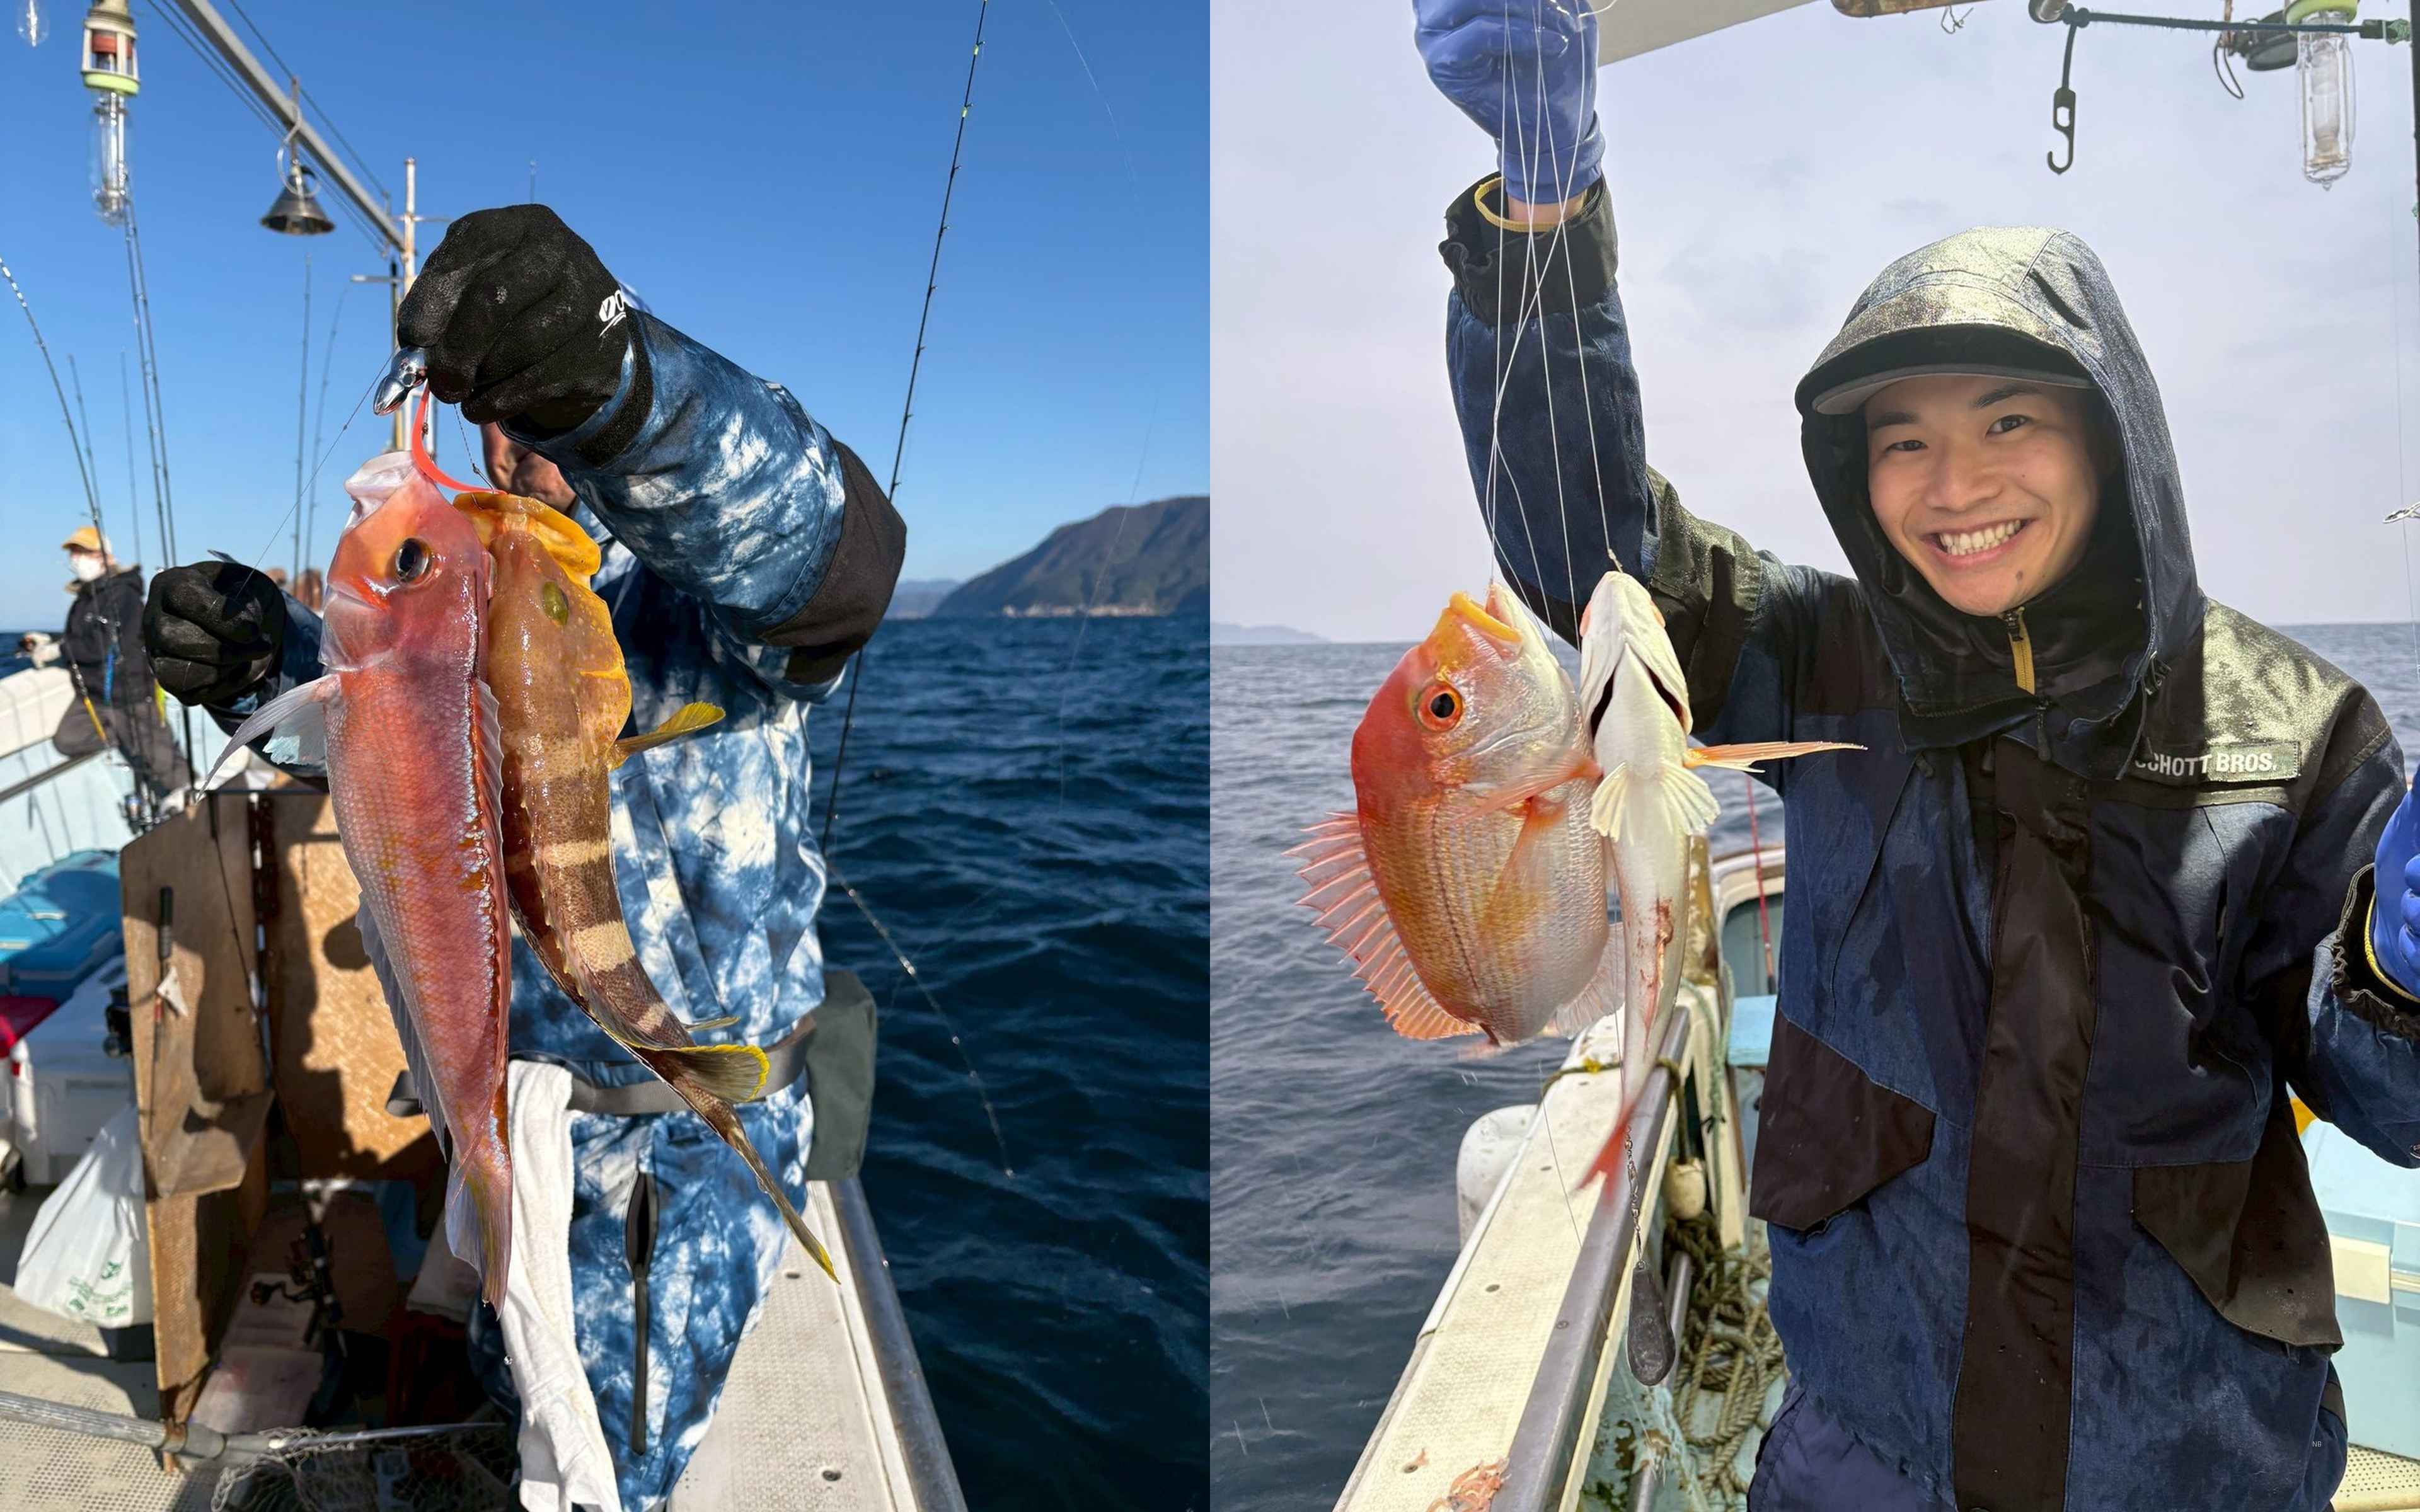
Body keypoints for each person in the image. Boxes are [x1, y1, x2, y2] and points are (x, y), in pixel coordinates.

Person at [1414, 5, 2420, 1509]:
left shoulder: (2300, 727)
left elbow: (2385, 1106)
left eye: (2007, 419)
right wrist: (1538, 218)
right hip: (1864, 1442)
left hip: (2191, 1462)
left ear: (2105, 438)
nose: (1952, 485)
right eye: (1900, 440)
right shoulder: (1818, 651)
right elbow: (1590, 548)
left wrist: (2398, 983)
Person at [142, 205, 905, 1510]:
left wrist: (620, 387)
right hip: (499, 1117)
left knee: (613, 1477)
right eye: (506, 412)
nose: (519, 441)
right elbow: (395, 769)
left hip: (672, 1178)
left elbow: (834, 561)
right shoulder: (465, 585)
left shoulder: (705, 601)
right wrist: (264, 667)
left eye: (539, 407)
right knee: (497, 1412)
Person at [46, 524, 183, 804]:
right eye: (74, 553)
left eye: (83, 552)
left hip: (131, 693)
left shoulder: (123, 595)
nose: (76, 559)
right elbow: (79, 638)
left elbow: (102, 646)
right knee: (67, 739)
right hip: (95, 697)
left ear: (104, 556)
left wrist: (59, 650)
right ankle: (122, 737)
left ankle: (190, 800)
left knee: (165, 761)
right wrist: (47, 641)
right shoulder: (84, 599)